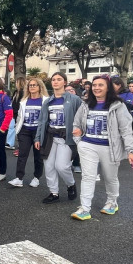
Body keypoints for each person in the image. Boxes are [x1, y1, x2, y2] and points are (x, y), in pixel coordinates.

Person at [71, 75, 133, 220]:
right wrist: (79, 139)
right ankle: (84, 208)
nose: (96, 88)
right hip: (88, 145)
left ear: (108, 87)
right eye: (94, 85)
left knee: (110, 177)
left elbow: (126, 129)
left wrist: (131, 151)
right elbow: (76, 124)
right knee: (88, 177)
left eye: (100, 85)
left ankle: (112, 203)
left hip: (110, 148)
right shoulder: (85, 104)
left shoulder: (118, 105)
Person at [35, 72, 83, 204]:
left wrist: (81, 131)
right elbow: (42, 121)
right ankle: (54, 193)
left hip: (66, 138)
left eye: (59, 79)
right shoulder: (47, 101)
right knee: (49, 166)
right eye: (53, 80)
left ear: (65, 82)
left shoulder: (74, 99)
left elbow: (83, 117)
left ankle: (71, 184)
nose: (55, 82)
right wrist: (38, 138)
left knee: (61, 166)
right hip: (50, 137)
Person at [8, 77, 47, 188]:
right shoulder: (24, 101)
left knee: (38, 156)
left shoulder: (45, 100)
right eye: (30, 85)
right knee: (22, 155)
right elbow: (20, 116)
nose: (32, 87)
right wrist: (17, 129)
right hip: (24, 131)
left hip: (38, 132)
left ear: (40, 87)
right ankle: (19, 178)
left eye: (35, 85)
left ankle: (36, 178)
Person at [6, 76, 26, 151]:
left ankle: (18, 144)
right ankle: (10, 143)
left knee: (18, 128)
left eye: (16, 82)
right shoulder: (16, 92)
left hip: (17, 112)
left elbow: (19, 104)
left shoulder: (22, 93)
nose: (15, 84)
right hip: (13, 112)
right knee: (11, 127)